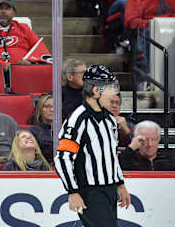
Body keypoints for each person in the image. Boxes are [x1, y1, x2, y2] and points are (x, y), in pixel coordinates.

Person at [54, 65, 130, 227]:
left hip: (109, 189)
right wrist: (73, 191)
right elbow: (63, 158)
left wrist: (120, 184)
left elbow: (111, 156)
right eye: (110, 88)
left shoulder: (109, 119)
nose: (113, 93)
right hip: (90, 191)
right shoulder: (77, 118)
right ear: (96, 91)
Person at [0, 0, 52, 72]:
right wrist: (1, 64)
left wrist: (30, 61)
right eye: (0, 8)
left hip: (24, 72)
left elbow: (39, 48)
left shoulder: (24, 28)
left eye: (7, 9)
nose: (3, 11)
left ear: (14, 13)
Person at [29, 94, 54, 164]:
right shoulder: (32, 132)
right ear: (40, 110)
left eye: (55, 106)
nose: (52, 110)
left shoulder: (65, 130)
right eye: (47, 107)